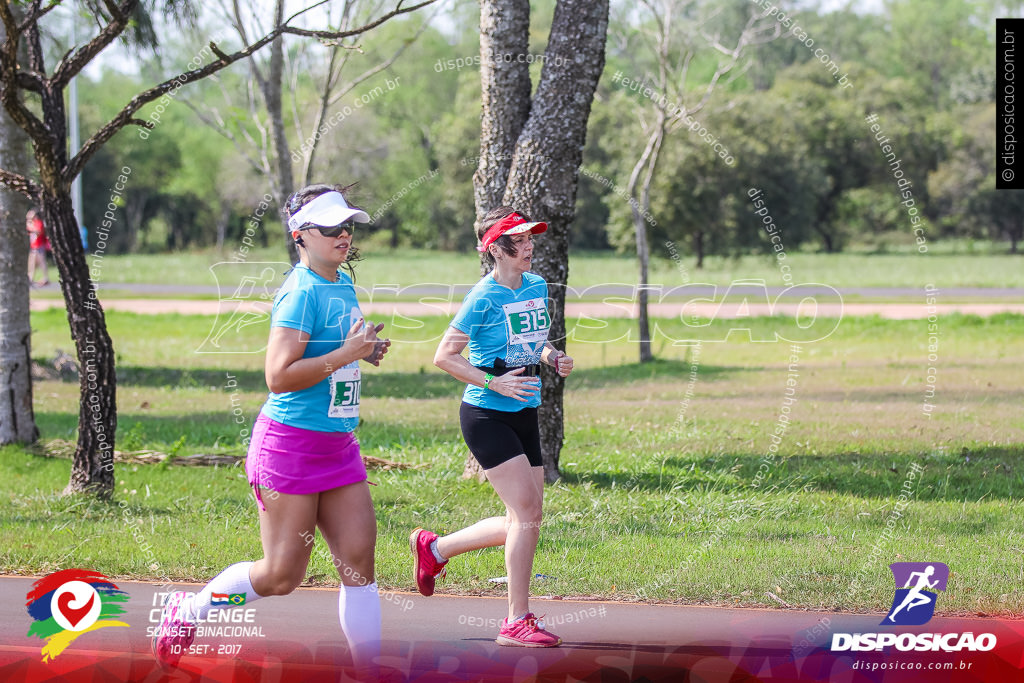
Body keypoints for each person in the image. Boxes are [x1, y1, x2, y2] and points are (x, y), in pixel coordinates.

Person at [152, 185, 391, 676]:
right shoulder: (301, 291)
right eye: (329, 227)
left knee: (359, 565)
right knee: (281, 575)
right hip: (291, 446)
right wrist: (346, 355)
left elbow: (332, 353)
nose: (342, 234)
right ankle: (189, 610)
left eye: (347, 225)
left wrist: (363, 351)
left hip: (338, 442)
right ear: (300, 235)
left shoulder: (341, 281)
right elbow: (279, 375)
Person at [413, 206, 574, 648]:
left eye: (530, 240)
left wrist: (550, 358)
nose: (529, 247)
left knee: (525, 519)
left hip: (524, 409)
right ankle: (515, 621)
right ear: (496, 250)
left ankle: (435, 549)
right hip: (486, 414)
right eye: (518, 242)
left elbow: (532, 340)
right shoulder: (482, 297)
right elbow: (444, 356)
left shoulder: (537, 285)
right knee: (528, 515)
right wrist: (493, 382)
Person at [26, 208, 50, 286]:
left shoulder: (38, 223)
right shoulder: (30, 223)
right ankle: (30, 278)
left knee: (42, 262)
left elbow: (39, 232)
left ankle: (45, 278)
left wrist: (31, 230)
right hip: (34, 246)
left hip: (39, 246)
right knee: (32, 264)